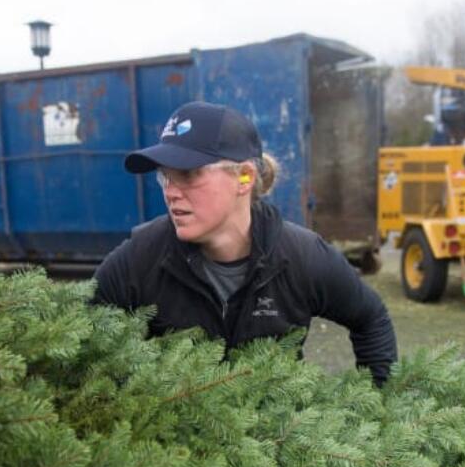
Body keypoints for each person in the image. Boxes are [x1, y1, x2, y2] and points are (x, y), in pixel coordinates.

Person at [92, 101, 397, 385]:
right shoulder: (140, 257)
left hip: (277, 437)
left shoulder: (302, 256)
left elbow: (371, 318)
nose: (171, 192)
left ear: (244, 177)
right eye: (165, 177)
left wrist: (377, 410)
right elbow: (79, 331)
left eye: (187, 174)